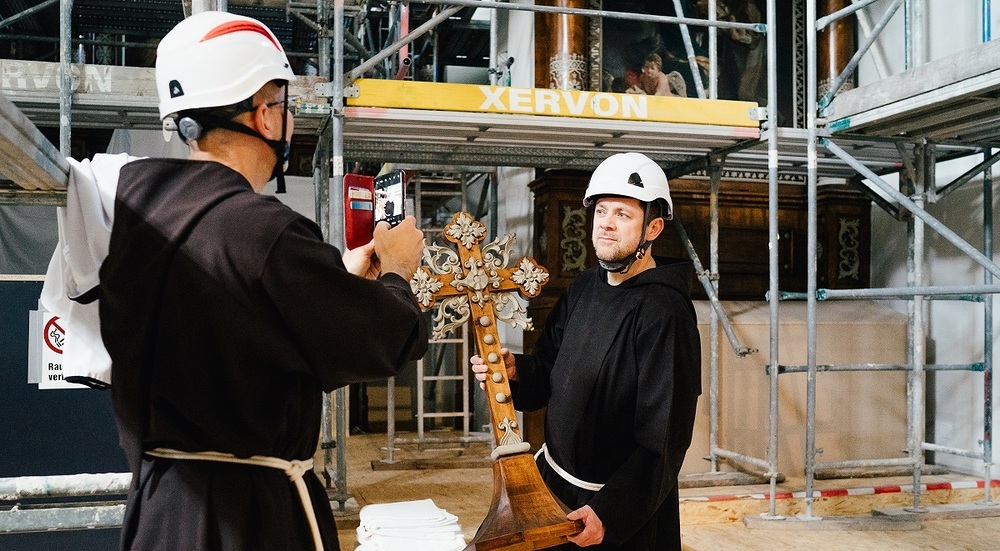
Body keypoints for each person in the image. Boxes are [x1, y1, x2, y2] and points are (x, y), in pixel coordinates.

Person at [99, 11, 428, 551]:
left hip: (161, 510)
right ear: (265, 115)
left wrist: (330, 279)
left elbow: (238, 318)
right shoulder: (264, 231)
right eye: (284, 102)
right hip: (246, 520)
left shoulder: (133, 212)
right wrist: (395, 269)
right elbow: (391, 338)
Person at [472, 152, 702, 550]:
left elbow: (663, 440)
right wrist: (516, 371)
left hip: (614, 511)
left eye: (623, 214)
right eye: (601, 212)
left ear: (654, 228)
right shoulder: (584, 287)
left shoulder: (666, 313)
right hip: (554, 489)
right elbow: (548, 371)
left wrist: (610, 514)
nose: (607, 225)